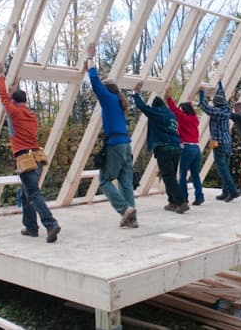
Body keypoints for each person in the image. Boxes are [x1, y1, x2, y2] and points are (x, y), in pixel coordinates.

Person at [0, 62, 61, 243]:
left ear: (15, 102)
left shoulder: (15, 113)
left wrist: (0, 74)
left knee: (33, 194)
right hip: (38, 157)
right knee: (26, 195)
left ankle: (50, 224)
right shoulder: (31, 116)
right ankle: (31, 227)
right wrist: (13, 91)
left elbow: (3, 97)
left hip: (25, 159)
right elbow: (10, 101)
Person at [84, 43, 138, 228]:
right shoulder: (119, 103)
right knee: (125, 182)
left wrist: (90, 59)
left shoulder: (108, 99)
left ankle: (124, 210)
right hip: (125, 145)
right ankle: (132, 220)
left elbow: (95, 82)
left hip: (115, 144)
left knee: (105, 180)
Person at [132, 82, 188, 214]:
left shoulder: (157, 113)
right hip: (176, 148)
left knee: (168, 177)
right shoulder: (171, 115)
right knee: (171, 176)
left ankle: (181, 202)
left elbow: (142, 107)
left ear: (155, 107)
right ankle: (172, 202)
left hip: (164, 148)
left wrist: (136, 93)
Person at [198, 80, 238, 202]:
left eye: (213, 102)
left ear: (215, 104)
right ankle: (225, 192)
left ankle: (232, 191)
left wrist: (201, 92)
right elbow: (223, 96)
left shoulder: (216, 112)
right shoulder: (226, 109)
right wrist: (220, 84)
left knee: (222, 169)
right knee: (225, 167)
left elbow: (203, 105)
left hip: (219, 144)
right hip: (227, 143)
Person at [164, 87, 204, 206]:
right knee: (195, 174)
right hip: (196, 148)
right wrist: (189, 100)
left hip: (187, 148)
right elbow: (185, 109)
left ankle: (184, 198)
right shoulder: (194, 119)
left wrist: (168, 98)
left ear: (184, 111)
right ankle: (199, 196)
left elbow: (175, 110)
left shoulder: (183, 118)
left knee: (182, 175)